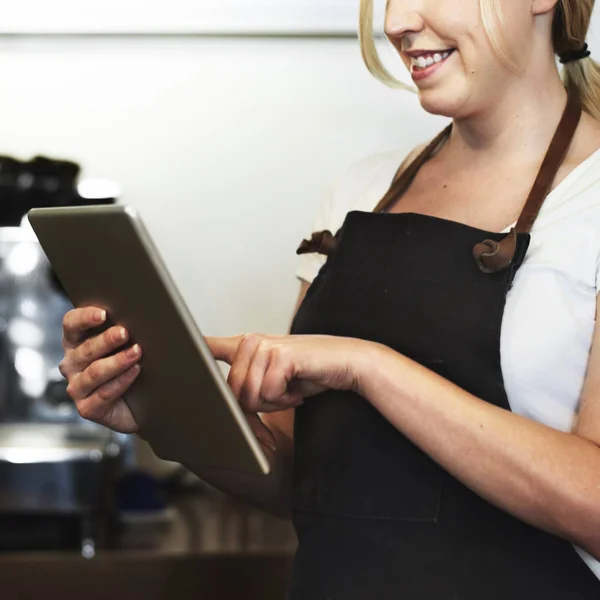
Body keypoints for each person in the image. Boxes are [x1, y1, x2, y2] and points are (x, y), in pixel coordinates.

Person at [58, 0, 600, 597]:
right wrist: (166, 413)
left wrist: (367, 366)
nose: (395, 23)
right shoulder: (361, 191)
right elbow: (300, 479)